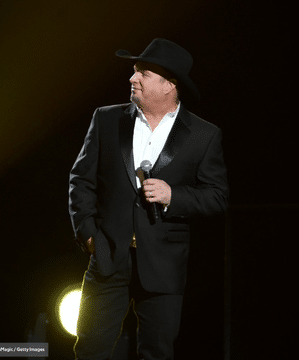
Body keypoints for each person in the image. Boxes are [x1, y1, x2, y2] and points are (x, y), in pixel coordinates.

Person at [68, 38, 229, 360]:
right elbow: (81, 180)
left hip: (163, 264)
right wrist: (88, 235)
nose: (133, 79)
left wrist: (174, 196)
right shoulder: (107, 119)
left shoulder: (203, 134)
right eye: (133, 71)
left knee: (156, 352)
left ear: (170, 84)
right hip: (108, 257)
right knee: (89, 350)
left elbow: (217, 197)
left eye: (143, 73)